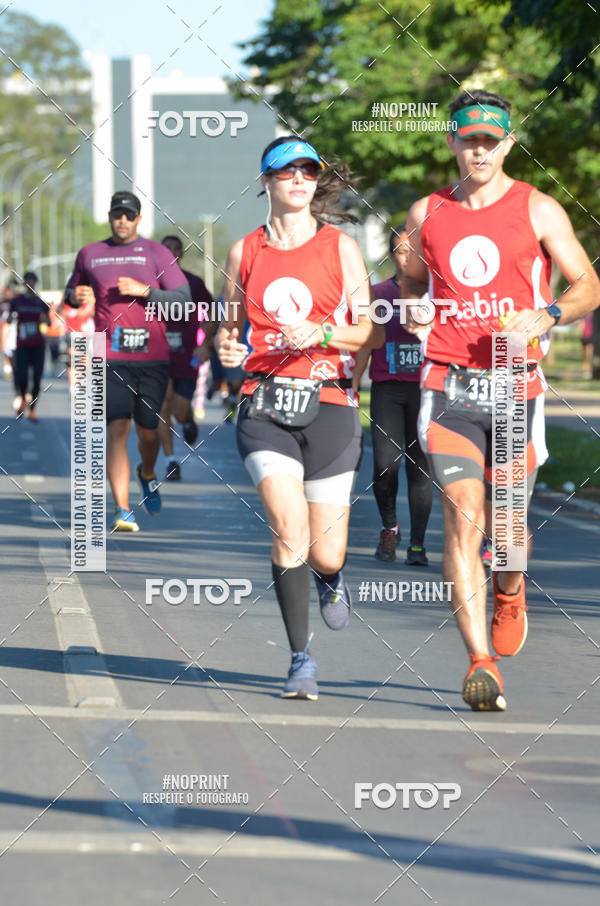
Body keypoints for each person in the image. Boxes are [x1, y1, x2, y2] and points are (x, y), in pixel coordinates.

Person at [403, 89, 600, 712]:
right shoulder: (425, 213)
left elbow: (588, 285)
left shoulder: (537, 208)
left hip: (518, 389)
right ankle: (479, 663)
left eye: (491, 140)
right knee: (463, 514)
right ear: (452, 143)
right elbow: (411, 280)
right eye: (469, 139)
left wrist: (546, 315)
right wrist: (410, 306)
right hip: (448, 387)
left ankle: (510, 590)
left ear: (509, 143)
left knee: (509, 531)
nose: (479, 149)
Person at [218, 136, 383, 700]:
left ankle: (331, 579)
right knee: (289, 529)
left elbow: (370, 330)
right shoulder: (245, 252)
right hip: (264, 403)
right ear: (264, 180)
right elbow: (228, 327)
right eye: (286, 172)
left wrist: (325, 331)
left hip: (330, 405)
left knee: (325, 551)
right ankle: (300, 659)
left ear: (316, 183)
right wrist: (228, 350)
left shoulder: (341, 248)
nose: (298, 181)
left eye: (308, 173)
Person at [65, 191, 191, 532]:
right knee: (116, 430)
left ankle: (146, 472)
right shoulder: (90, 254)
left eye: (128, 215)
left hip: (152, 359)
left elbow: (184, 300)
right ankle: (122, 509)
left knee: (147, 433)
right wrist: (74, 296)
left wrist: (147, 291)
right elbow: (70, 293)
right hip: (110, 357)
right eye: (117, 214)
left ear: (138, 219)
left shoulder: (156, 252)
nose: (122, 220)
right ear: (110, 217)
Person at [354, 226, 433, 565]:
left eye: (413, 251)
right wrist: (352, 386)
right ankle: (390, 528)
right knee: (386, 465)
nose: (407, 258)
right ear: (392, 256)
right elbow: (362, 345)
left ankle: (417, 543)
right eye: (401, 252)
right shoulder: (378, 295)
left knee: (420, 469)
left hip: (427, 389)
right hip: (387, 388)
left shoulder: (436, 294)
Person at [158, 235, 215, 481]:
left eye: (174, 249)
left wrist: (205, 344)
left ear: (180, 254)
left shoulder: (193, 283)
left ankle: (188, 420)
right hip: (157, 357)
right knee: (162, 406)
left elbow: (215, 313)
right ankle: (171, 461)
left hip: (187, 356)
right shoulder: (149, 284)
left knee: (180, 410)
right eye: (165, 249)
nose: (170, 253)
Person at [5, 272, 48, 421]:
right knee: (22, 377)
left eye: (32, 281)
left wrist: (47, 320)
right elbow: (9, 319)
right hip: (22, 345)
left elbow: (47, 320)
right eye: (27, 281)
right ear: (24, 283)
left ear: (36, 283)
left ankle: (32, 410)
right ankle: (23, 399)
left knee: (36, 379)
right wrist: (10, 318)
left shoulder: (40, 302)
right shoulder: (16, 301)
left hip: (38, 345)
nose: (30, 283)